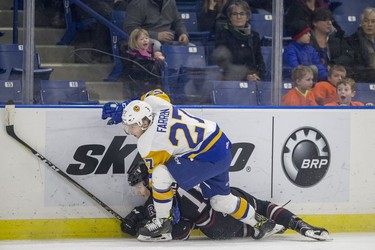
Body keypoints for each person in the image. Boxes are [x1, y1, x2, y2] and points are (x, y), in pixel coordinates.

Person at [101, 89, 283, 241]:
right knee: (220, 201)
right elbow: (153, 96)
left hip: (207, 156)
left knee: (159, 174)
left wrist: (165, 204)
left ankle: (163, 221)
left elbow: (158, 176)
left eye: (132, 126)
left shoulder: (147, 144)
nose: (130, 131)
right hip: (220, 143)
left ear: (143, 122)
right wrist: (127, 108)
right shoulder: (157, 103)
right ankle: (260, 222)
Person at [121, 162, 331, 241]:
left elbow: (182, 231)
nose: (138, 191)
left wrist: (141, 224)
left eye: (138, 186)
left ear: (150, 182)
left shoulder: (159, 201)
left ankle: (266, 228)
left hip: (217, 226)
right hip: (223, 196)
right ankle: (298, 226)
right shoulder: (176, 176)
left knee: (259, 213)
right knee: (263, 206)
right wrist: (140, 217)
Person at [214, 0, 265, 81]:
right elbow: (224, 64)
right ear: (230, 17)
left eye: (242, 13)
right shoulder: (224, 35)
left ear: (247, 17)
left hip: (254, 79)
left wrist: (257, 76)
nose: (239, 17)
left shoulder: (254, 36)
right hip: (233, 81)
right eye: (235, 14)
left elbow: (259, 61)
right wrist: (245, 77)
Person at [124, 0, 190, 52]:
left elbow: (177, 21)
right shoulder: (137, 3)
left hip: (169, 41)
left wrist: (183, 33)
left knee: (191, 47)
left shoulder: (170, 2)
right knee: (157, 45)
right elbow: (130, 28)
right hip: (148, 41)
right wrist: (156, 35)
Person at [121, 28, 165, 96]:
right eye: (141, 39)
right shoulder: (133, 55)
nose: (145, 40)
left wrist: (159, 57)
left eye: (146, 38)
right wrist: (157, 61)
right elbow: (145, 68)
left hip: (152, 86)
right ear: (135, 42)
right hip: (138, 86)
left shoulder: (151, 52)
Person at [346, 7, 375, 82]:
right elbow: (354, 66)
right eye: (366, 21)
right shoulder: (353, 41)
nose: (369, 24)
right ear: (361, 23)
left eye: (373, 21)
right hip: (365, 76)